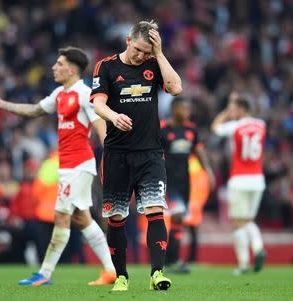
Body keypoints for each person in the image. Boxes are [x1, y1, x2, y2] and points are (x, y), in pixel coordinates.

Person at [0, 46, 117, 286]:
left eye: (59, 63)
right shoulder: (59, 95)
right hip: (67, 166)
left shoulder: (85, 94)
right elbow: (33, 111)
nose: (54, 67)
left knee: (61, 217)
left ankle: (45, 273)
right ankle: (110, 270)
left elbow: (101, 129)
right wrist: (1, 103)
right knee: (82, 219)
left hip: (79, 164)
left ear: (71, 69)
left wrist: (112, 161)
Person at [91, 20, 182, 291]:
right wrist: (113, 116)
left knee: (155, 210)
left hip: (150, 153)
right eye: (140, 50)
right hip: (117, 153)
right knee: (116, 217)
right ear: (128, 40)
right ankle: (121, 276)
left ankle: (157, 274)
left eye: (148, 52)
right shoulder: (106, 66)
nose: (142, 56)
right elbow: (97, 104)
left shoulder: (154, 63)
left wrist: (160, 54)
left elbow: (176, 88)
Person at [211, 96, 267, 275]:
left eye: (234, 109)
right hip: (258, 179)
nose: (232, 112)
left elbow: (214, 128)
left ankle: (249, 257)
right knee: (248, 220)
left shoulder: (234, 127)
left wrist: (226, 113)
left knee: (238, 222)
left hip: (239, 179)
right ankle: (254, 252)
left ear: (242, 109)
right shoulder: (261, 124)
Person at [160, 97, 215, 273]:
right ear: (174, 109)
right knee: (176, 216)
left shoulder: (191, 129)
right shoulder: (162, 128)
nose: (186, 112)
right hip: (168, 180)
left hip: (185, 180)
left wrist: (209, 172)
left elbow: (199, 151)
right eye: (183, 108)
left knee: (179, 220)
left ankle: (169, 262)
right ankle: (174, 260)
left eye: (188, 109)